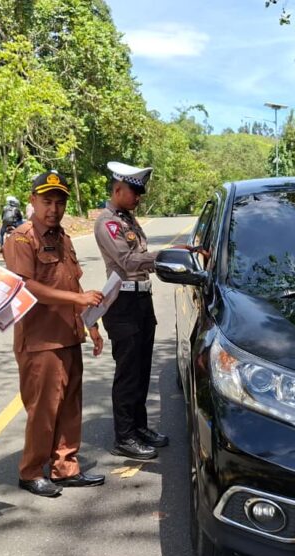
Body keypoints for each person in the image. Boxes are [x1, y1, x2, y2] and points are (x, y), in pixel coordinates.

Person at [3, 170, 106, 497]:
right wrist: (78, 300)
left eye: (59, 203)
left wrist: (91, 323)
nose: (54, 209)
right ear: (32, 201)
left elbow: (73, 283)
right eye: (47, 201)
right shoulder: (21, 239)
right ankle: (31, 471)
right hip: (40, 340)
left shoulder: (63, 238)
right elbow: (25, 286)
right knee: (44, 410)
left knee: (70, 405)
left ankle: (65, 467)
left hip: (69, 334)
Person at [93, 161, 171, 460]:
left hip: (141, 300)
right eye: (134, 192)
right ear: (117, 189)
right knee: (127, 372)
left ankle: (139, 427)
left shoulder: (129, 220)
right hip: (123, 303)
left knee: (142, 369)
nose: (138, 197)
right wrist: (166, 256)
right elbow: (127, 261)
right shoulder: (107, 223)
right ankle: (124, 436)